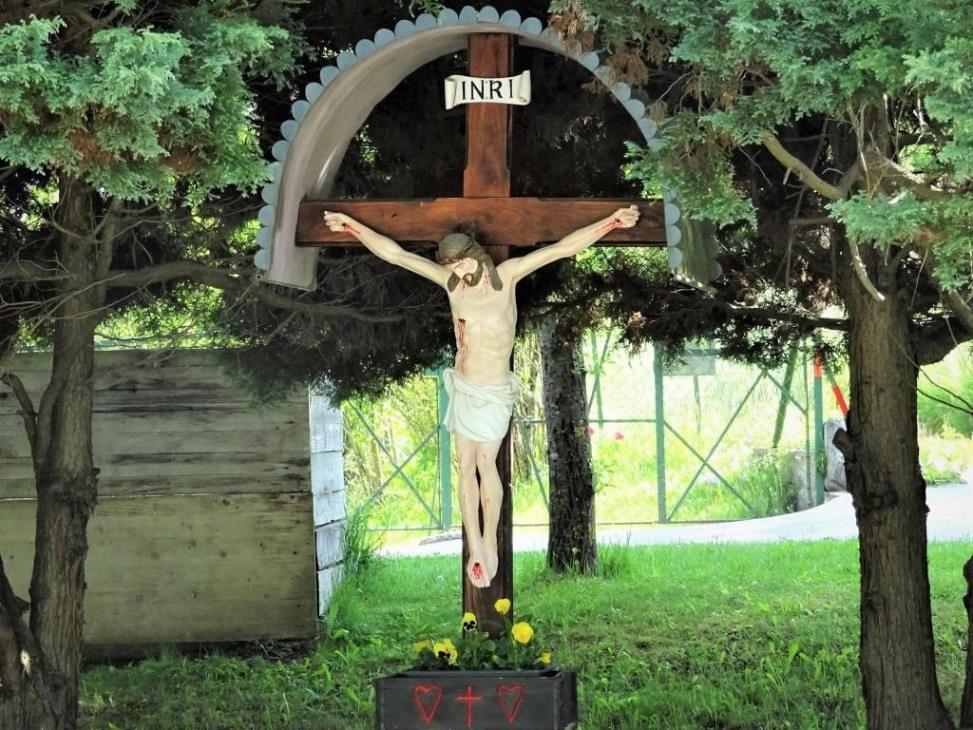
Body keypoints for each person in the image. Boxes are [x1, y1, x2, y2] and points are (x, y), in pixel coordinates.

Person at [323, 205, 641, 587]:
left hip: (494, 391)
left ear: (473, 255)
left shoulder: (507, 276)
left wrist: (612, 222)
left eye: (459, 264)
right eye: (449, 266)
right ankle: (474, 545)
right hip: (464, 385)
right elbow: (397, 255)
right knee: (466, 464)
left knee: (486, 462)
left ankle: (490, 540)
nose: (456, 272)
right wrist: (351, 226)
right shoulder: (451, 285)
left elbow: (561, 248)